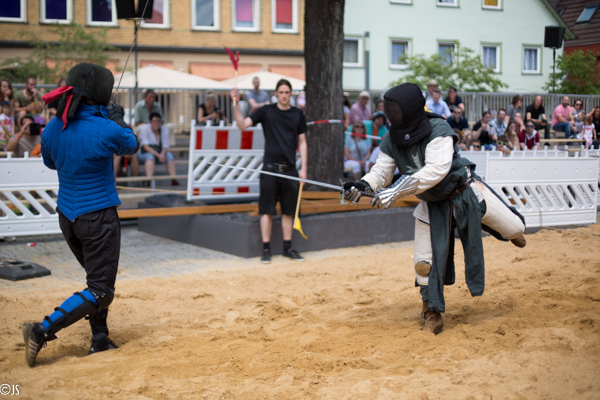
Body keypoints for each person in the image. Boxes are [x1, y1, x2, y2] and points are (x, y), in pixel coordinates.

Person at [342, 82, 526, 335]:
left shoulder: (439, 129)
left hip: (465, 194)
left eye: (397, 110)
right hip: (431, 204)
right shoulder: (392, 137)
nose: (394, 115)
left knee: (515, 227)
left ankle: (506, 230)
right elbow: (382, 170)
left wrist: (395, 191)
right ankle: (431, 311)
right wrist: (362, 185)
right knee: (423, 264)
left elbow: (435, 171)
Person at [22, 63, 140, 368]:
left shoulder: (52, 128)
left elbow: (50, 162)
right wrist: (117, 118)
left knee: (94, 282)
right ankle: (42, 329)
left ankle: (100, 338)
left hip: (68, 217)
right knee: (101, 289)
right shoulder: (106, 127)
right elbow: (131, 144)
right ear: (101, 93)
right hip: (99, 217)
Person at [231, 79, 307, 264]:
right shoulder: (266, 111)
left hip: (289, 170)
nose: (283, 95)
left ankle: (287, 249)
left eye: (287, 92)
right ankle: (266, 250)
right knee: (267, 211)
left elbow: (303, 142)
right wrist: (235, 102)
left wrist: (304, 168)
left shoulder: (298, 114)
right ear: (275, 93)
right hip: (270, 169)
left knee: (289, 211)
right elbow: (242, 125)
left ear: (291, 94)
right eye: (280, 92)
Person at [137, 112, 179, 186]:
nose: (157, 123)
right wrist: (158, 155)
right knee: (150, 157)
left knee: (169, 156)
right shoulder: (144, 129)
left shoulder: (165, 130)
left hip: (159, 152)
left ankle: (174, 179)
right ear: (150, 122)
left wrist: (162, 154)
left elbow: (166, 146)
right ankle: (148, 181)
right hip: (145, 153)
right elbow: (145, 147)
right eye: (154, 121)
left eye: (159, 121)